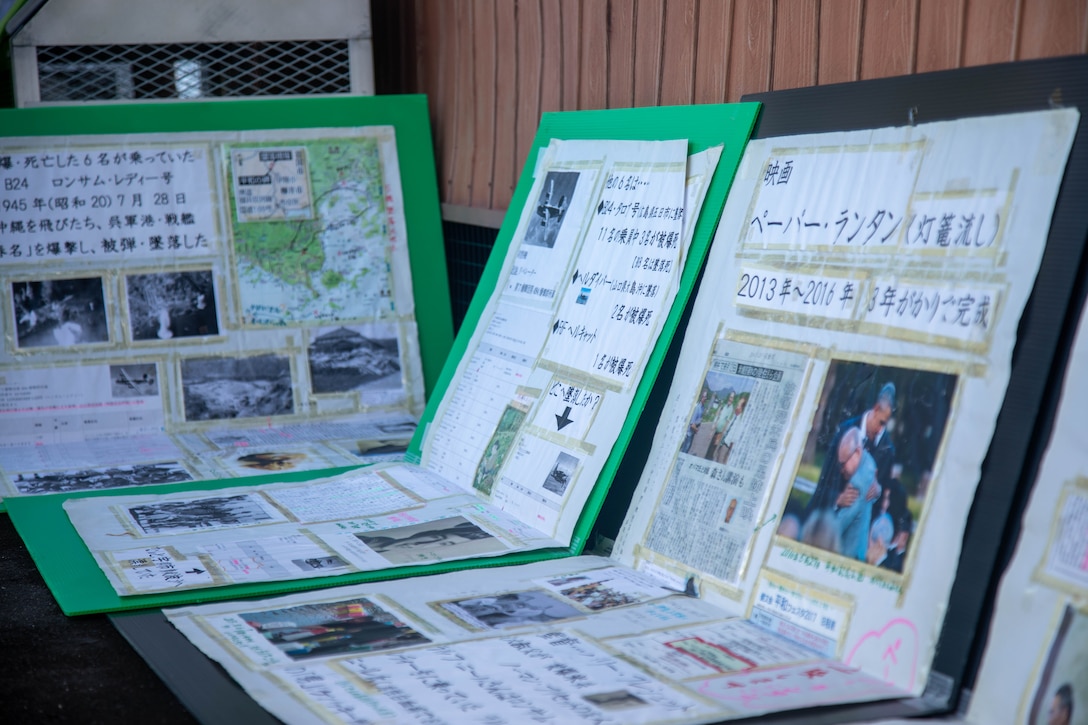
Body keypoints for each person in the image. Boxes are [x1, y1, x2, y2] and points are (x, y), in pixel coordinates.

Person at [807, 382, 896, 521]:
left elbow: (882, 497)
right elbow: (823, 483)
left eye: (885, 425)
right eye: (881, 423)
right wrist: (837, 498)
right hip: (828, 520)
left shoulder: (888, 450)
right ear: (876, 408)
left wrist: (877, 491)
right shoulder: (844, 431)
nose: (880, 430)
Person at [834, 427, 880, 561]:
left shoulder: (857, 484)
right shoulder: (869, 461)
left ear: (858, 452)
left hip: (847, 556)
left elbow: (838, 526)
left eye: (843, 464)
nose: (841, 470)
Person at [707, 391, 736, 461]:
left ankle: (709, 460)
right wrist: (712, 428)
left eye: (732, 398)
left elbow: (727, 422)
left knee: (714, 447)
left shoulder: (731, 409)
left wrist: (721, 434)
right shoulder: (725, 406)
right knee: (710, 446)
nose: (730, 399)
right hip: (716, 429)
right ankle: (706, 458)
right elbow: (719, 416)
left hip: (720, 432)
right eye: (730, 397)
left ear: (733, 399)